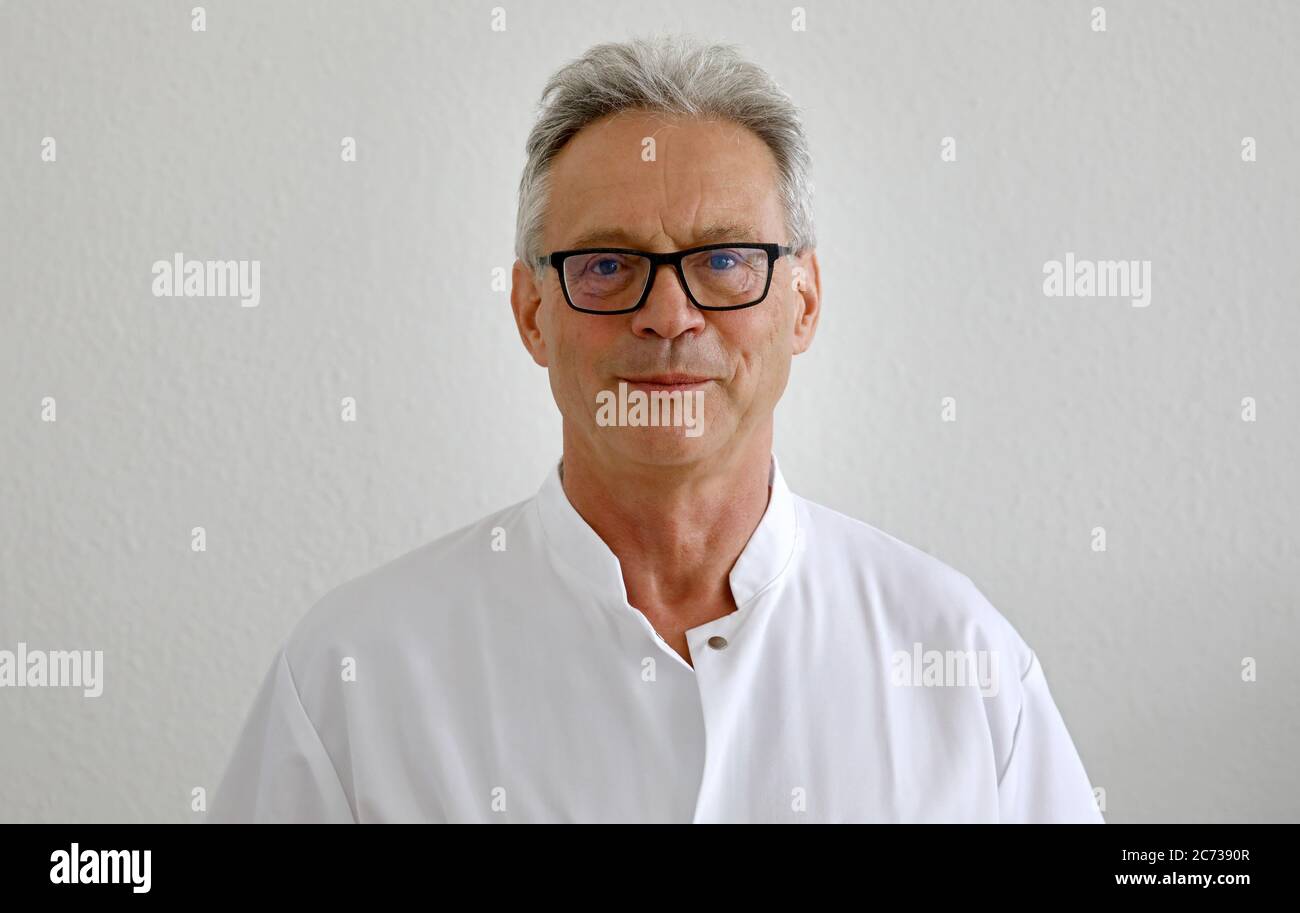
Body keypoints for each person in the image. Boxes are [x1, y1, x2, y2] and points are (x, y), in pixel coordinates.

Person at [208, 34, 1103, 823]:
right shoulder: (355, 677)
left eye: (723, 259)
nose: (669, 314)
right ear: (531, 313)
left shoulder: (964, 662)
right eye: (606, 264)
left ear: (803, 301)